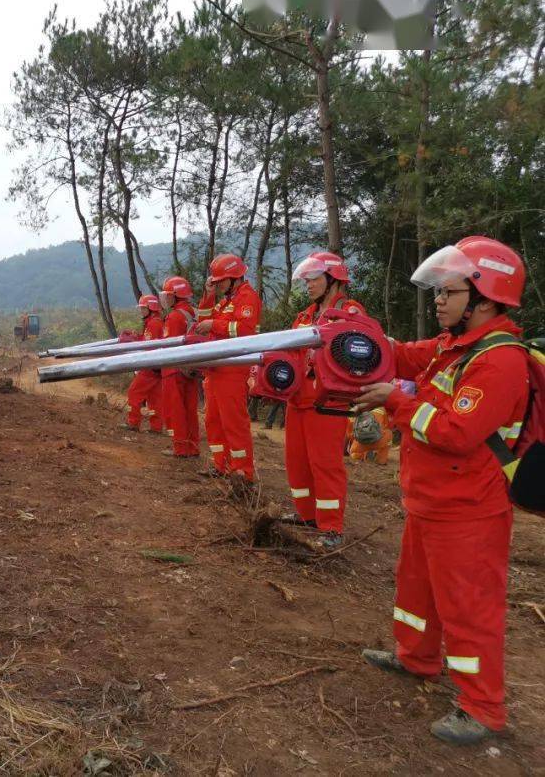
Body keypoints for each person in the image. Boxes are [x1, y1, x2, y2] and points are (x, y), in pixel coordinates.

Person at [354, 236, 530, 745]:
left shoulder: (499, 360)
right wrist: (355, 338)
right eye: (438, 292)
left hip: (469, 511)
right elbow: (404, 355)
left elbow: (455, 432)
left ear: (486, 296)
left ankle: (483, 708)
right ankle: (417, 658)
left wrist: (397, 403)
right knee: (418, 591)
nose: (438, 301)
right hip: (431, 500)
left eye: (448, 292)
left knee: (468, 609)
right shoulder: (454, 348)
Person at [280, 252, 366, 550]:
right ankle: (306, 516)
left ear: (333, 280)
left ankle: (330, 526)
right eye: (307, 280)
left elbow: (358, 352)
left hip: (327, 402)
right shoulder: (305, 315)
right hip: (298, 398)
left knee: (325, 464)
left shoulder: (351, 311)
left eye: (314, 279)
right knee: (297, 460)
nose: (308, 285)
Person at [194, 255, 261, 481]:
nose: (218, 284)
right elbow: (201, 321)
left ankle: (243, 471)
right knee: (213, 420)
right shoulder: (226, 301)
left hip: (233, 369)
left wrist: (215, 324)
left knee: (234, 422)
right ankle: (221, 466)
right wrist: (208, 296)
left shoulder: (247, 298)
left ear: (234, 277)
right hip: (215, 368)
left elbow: (244, 330)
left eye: (221, 281)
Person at [159, 277, 200, 457]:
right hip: (190, 369)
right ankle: (193, 447)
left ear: (176, 296)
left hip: (173, 369)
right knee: (190, 409)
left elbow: (168, 345)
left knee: (175, 409)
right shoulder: (193, 313)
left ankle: (180, 447)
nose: (166, 299)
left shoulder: (174, 317)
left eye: (168, 295)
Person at [122, 294, 164, 433]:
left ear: (150, 308)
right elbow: (148, 340)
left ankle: (133, 423)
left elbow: (150, 346)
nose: (141, 311)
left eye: (143, 308)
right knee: (155, 398)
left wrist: (134, 341)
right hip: (156, 367)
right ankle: (156, 427)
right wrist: (136, 336)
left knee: (134, 392)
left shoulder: (154, 323)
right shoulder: (153, 322)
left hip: (149, 366)